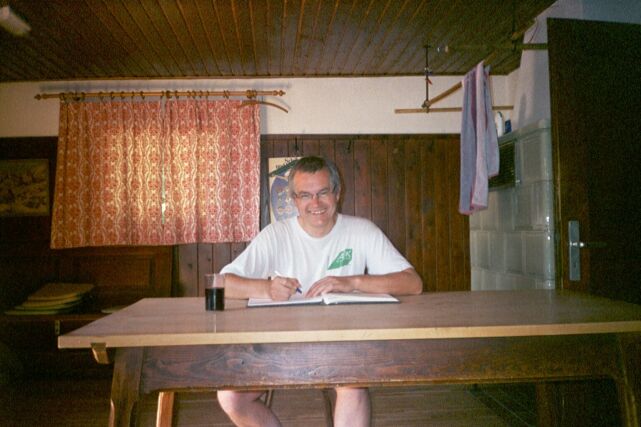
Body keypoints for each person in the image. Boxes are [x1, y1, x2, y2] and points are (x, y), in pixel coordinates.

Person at [217, 156, 423, 427]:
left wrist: (353, 282)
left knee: (353, 385)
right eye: (305, 195)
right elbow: (221, 284)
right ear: (294, 200)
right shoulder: (276, 234)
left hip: (344, 347)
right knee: (231, 397)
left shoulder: (362, 231)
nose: (315, 203)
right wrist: (266, 288)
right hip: (281, 349)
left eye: (323, 192)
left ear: (337, 193)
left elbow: (412, 283)